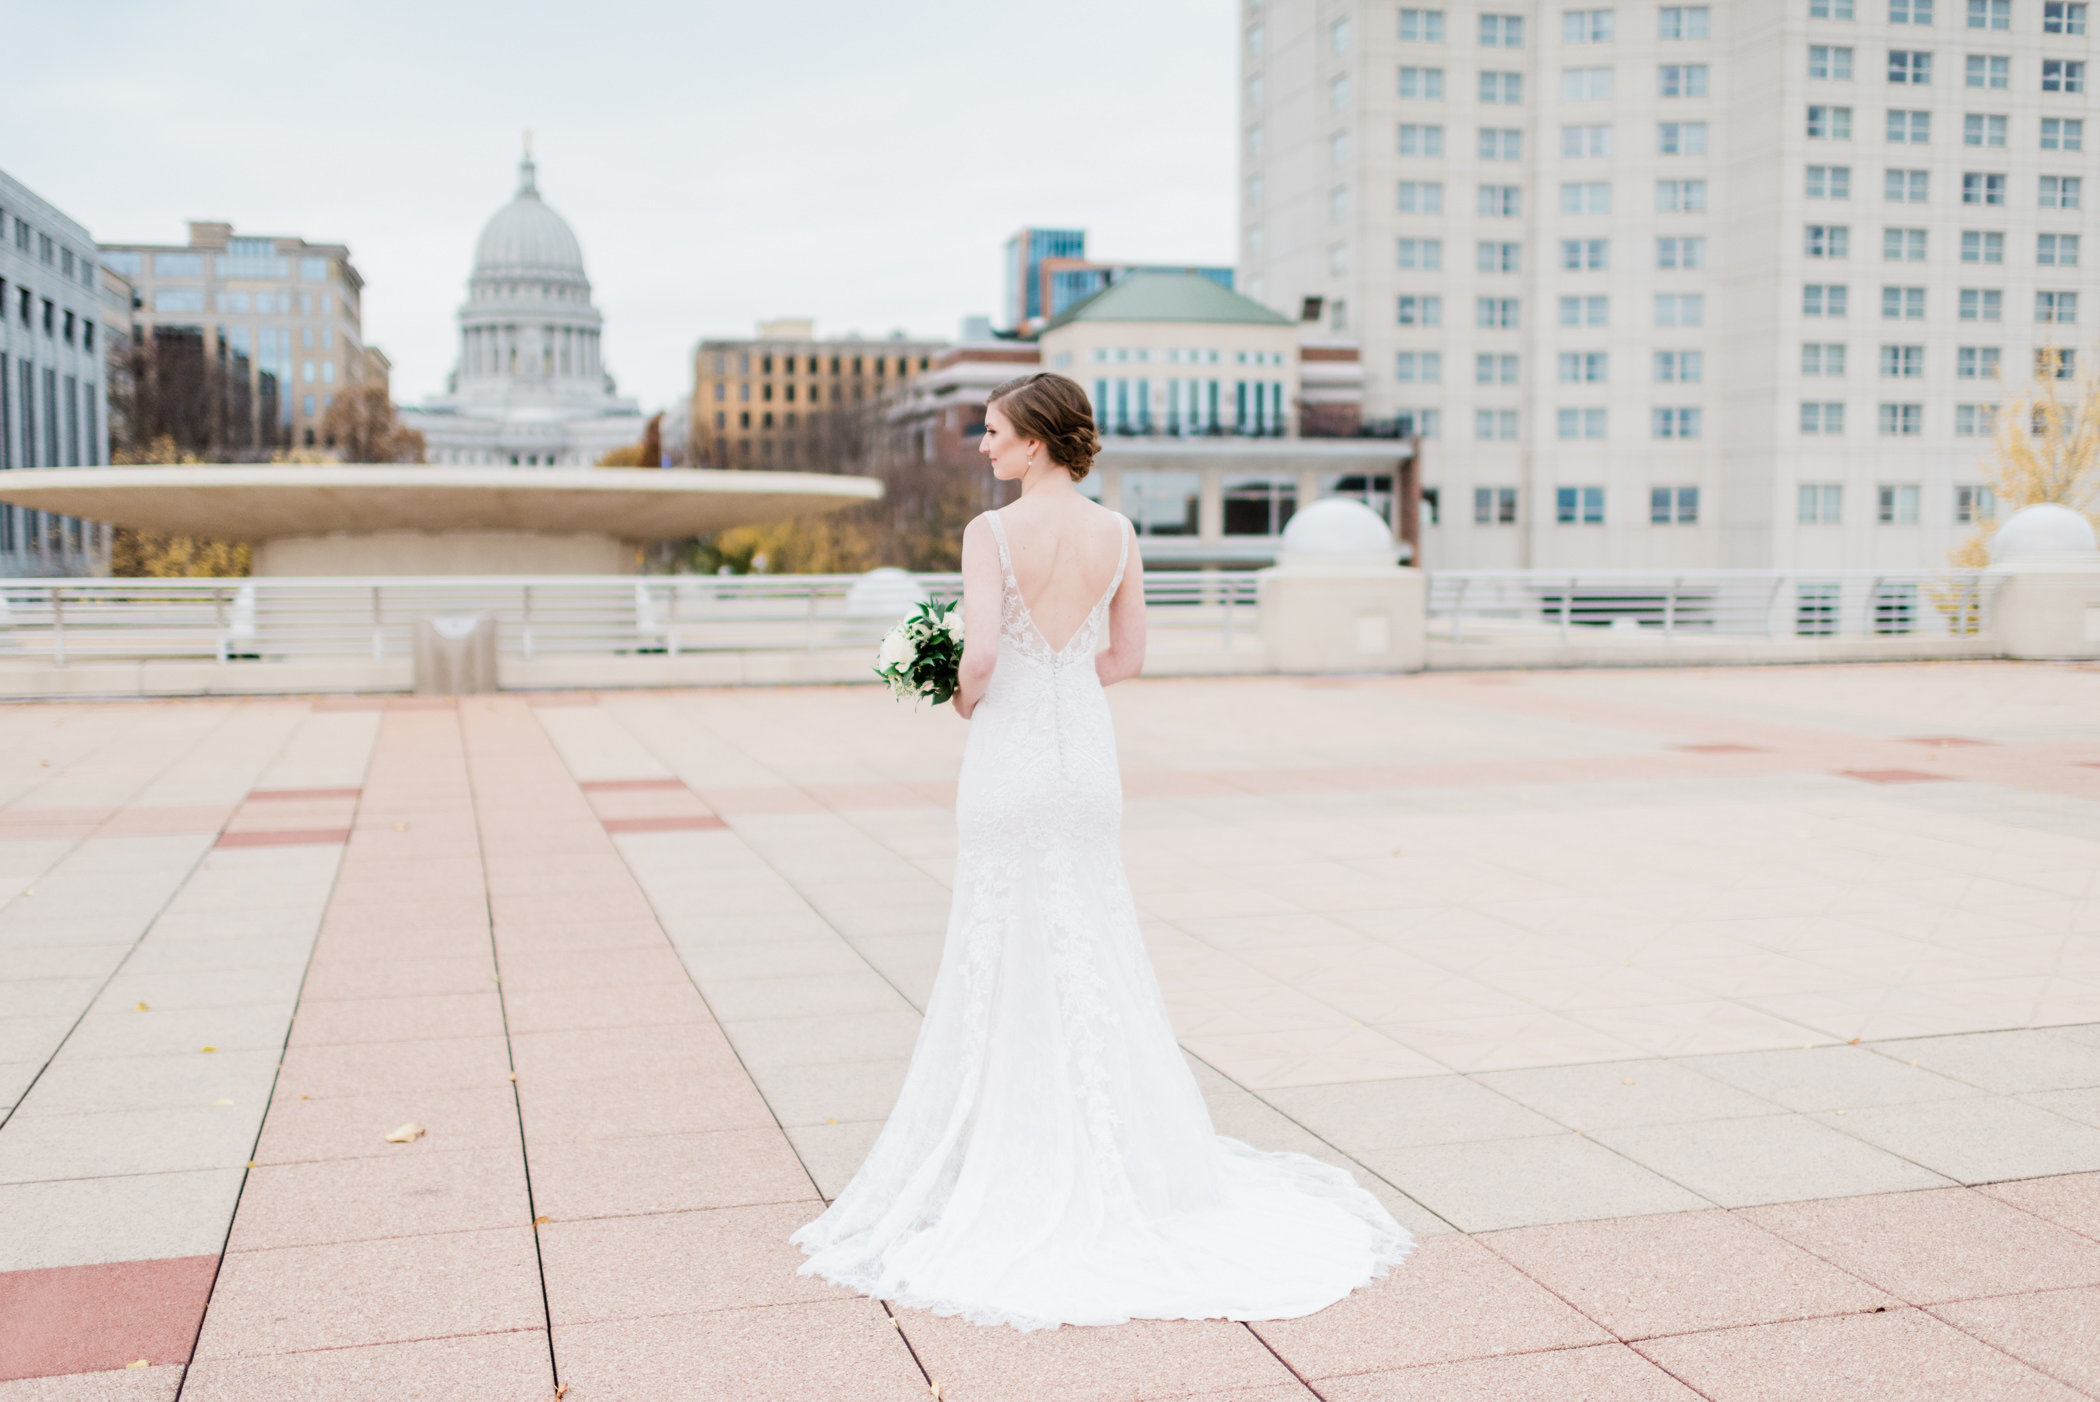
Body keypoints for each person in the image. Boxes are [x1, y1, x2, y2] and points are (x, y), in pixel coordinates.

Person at [792, 372, 1408, 1329]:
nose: (984, 446)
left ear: (1035, 442)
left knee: (1001, 942)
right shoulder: (1117, 534)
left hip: (1010, 760)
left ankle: (1008, 1145)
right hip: (1086, 764)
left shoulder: (990, 534)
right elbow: (1127, 660)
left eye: (993, 432)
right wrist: (1064, 674)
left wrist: (952, 692)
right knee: (1092, 936)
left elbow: (985, 658)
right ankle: (1120, 1146)